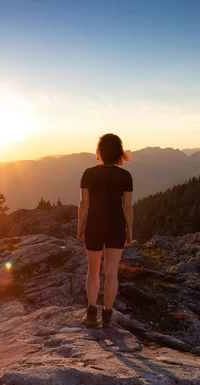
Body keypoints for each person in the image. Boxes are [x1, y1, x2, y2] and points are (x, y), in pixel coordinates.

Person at [77, 133, 133, 327]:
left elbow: (84, 204)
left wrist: (80, 227)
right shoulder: (125, 176)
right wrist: (130, 231)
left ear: (99, 151)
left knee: (93, 271)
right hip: (116, 226)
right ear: (119, 152)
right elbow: (127, 207)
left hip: (94, 224)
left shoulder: (89, 173)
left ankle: (91, 314)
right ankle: (107, 316)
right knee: (111, 273)